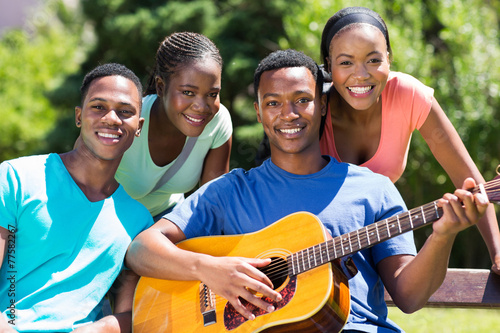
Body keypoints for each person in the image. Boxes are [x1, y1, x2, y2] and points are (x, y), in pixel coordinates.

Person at [126, 49, 489, 332]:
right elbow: (142, 250)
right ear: (258, 112)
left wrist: (443, 236)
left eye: (302, 99)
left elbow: (409, 298)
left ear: (323, 106)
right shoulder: (231, 190)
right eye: (273, 103)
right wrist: (211, 270)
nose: (289, 114)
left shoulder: (372, 189)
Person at [317, 6, 500, 274]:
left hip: (377, 234)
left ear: (389, 59)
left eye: (373, 60)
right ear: (328, 65)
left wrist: (497, 252)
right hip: (314, 240)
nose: (361, 74)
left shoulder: (407, 95)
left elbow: (468, 178)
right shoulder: (312, 107)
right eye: (346, 62)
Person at [0, 63, 153, 332]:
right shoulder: (15, 178)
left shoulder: (138, 221)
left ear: (138, 126)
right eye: (98, 106)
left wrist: (101, 328)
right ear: (79, 116)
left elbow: (132, 315)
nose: (112, 118)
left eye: (125, 111)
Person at [114, 32, 233, 221]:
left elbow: (212, 206)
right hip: (111, 223)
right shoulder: (126, 120)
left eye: (212, 94)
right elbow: (83, 191)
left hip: (169, 222)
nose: (201, 106)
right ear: (161, 87)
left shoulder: (218, 121)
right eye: (188, 92)